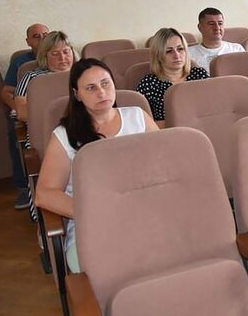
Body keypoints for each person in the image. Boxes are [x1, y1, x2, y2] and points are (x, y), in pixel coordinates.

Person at [36, 58, 158, 272]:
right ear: (77, 94)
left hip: (144, 214)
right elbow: (45, 193)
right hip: (95, 223)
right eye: (91, 88)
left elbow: (166, 165)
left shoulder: (138, 117)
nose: (101, 92)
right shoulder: (65, 135)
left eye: (105, 83)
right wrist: (95, 213)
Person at [1, 23, 49, 209]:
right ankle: (23, 187)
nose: (42, 39)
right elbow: (6, 92)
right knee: (16, 135)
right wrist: (19, 110)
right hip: (27, 112)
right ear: (28, 41)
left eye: (45, 34)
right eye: (36, 36)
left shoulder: (64, 59)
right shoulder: (21, 62)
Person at [136, 27, 209, 123]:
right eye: (169, 51)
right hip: (167, 131)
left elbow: (212, 109)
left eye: (180, 49)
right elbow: (143, 123)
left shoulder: (200, 75)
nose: (177, 55)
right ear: (158, 55)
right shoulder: (148, 84)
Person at [14, 31, 77, 122]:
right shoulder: (32, 77)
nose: (62, 58)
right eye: (55, 53)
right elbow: (21, 113)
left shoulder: (83, 73)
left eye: (66, 52)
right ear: (44, 56)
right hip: (46, 125)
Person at [187, 7, 244, 72]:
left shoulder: (237, 49)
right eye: (211, 24)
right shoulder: (188, 54)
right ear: (200, 27)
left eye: (220, 23)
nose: (217, 27)